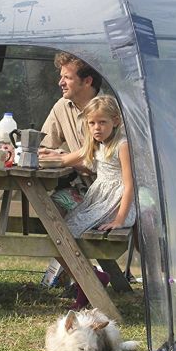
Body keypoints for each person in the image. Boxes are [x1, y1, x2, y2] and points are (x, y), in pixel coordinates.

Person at [46, 95, 136, 310]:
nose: (97, 128)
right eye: (92, 123)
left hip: (115, 204)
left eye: (102, 122)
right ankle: (90, 279)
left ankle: (88, 284)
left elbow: (130, 185)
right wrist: (42, 155)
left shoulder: (121, 145)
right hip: (98, 200)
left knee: (62, 237)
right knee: (58, 235)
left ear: (116, 121)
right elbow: (64, 159)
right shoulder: (96, 145)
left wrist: (119, 220)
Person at [39, 52, 103, 212]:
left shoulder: (110, 111)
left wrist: (62, 157)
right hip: (82, 188)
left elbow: (102, 163)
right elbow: (43, 147)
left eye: (67, 77)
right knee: (50, 206)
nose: (60, 82)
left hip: (113, 191)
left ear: (87, 81)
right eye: (61, 77)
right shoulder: (61, 106)